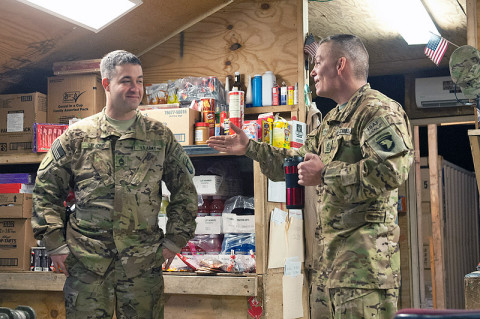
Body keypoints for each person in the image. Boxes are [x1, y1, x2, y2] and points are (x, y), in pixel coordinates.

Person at [208, 34, 414, 318]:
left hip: (364, 271)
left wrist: (326, 173)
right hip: (328, 268)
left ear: (341, 65)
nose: (313, 71)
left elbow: (392, 171)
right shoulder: (331, 121)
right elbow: (294, 163)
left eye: (318, 62)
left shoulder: (378, 110)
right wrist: (250, 148)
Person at [32, 50, 198, 319]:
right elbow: (45, 191)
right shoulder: (77, 136)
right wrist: (55, 245)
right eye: (126, 81)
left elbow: (185, 191)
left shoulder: (159, 136)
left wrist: (175, 240)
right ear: (107, 84)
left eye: (140, 81)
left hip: (143, 263)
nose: (136, 88)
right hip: (88, 262)